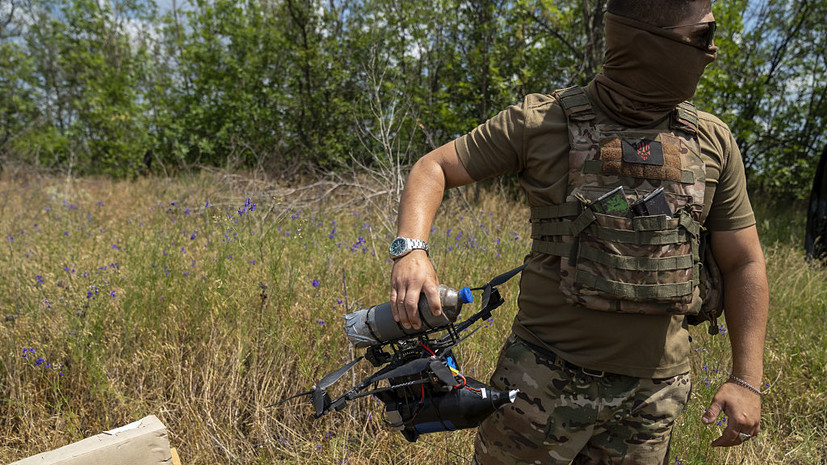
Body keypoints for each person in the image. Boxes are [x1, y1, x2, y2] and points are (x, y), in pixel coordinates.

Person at [388, 0, 769, 463]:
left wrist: (747, 380)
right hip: (540, 384)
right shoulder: (541, 121)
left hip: (652, 399)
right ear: (651, 42)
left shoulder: (711, 140)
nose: (713, 49)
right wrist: (411, 250)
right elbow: (434, 167)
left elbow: (743, 261)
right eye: (703, 35)